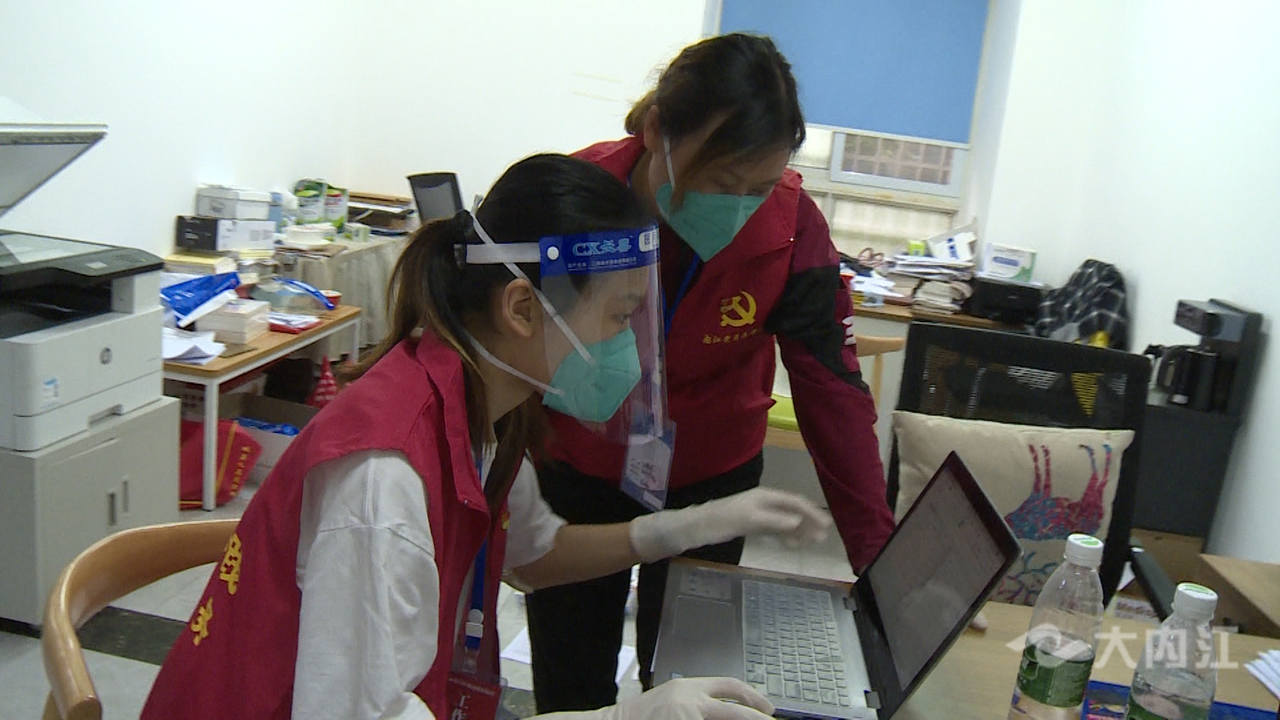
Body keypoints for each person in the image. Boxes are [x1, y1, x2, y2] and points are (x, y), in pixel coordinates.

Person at [140, 154, 831, 720]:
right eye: (621, 318)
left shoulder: (477, 407)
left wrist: (694, 525)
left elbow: (534, 555)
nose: (631, 350)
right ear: (523, 308)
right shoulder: (384, 479)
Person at [526, 33, 897, 713]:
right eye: (724, 184)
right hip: (581, 466)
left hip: (713, 482)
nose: (740, 206)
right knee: (571, 688)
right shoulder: (574, 197)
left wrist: (875, 554)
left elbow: (833, 391)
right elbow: (503, 342)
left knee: (690, 689)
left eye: (759, 188)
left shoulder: (791, 227)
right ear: (657, 130)